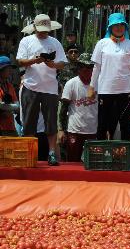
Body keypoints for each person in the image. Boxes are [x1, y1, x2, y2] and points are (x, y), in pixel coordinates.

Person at [16, 14, 67, 165]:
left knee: (50, 122)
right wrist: (35, 60)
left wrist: (53, 64)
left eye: (46, 30)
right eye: (41, 29)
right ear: (35, 27)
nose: (43, 33)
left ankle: (51, 152)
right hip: (30, 86)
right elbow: (19, 61)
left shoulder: (55, 42)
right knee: (29, 121)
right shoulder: (26, 40)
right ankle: (29, 152)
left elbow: (63, 63)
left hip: (50, 88)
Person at [89, 13, 130, 141]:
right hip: (105, 90)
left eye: (121, 25)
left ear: (125, 27)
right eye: (115, 25)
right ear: (110, 27)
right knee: (102, 123)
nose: (119, 28)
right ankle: (100, 152)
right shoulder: (102, 43)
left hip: (125, 90)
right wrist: (91, 87)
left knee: (124, 123)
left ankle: (125, 154)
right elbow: (96, 67)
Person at [58, 53, 97, 162]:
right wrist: (61, 129)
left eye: (90, 67)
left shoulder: (98, 83)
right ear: (78, 67)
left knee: (92, 163)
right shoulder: (71, 83)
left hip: (93, 130)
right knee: (72, 162)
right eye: (84, 66)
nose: (87, 69)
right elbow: (63, 108)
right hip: (74, 130)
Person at [0, 56, 19, 136]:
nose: (10, 71)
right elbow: (0, 106)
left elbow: (17, 106)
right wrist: (12, 107)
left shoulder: (10, 86)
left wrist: (6, 107)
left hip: (10, 127)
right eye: (8, 68)